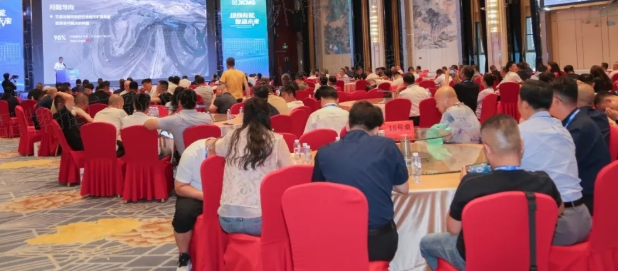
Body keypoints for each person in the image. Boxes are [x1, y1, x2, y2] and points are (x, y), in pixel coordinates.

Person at [419, 114, 563, 271]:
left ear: (486, 149)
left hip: (477, 260)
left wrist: (462, 186)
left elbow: (453, 228)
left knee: (426, 243)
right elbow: (557, 210)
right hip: (527, 257)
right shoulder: (544, 182)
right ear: (522, 146)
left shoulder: (471, 183)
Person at [313, 101, 408, 262]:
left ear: (347, 125)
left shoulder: (324, 152)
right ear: (376, 129)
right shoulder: (387, 145)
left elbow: (318, 192)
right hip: (379, 241)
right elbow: (403, 188)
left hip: (338, 238)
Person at [517, 80, 592, 245]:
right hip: (584, 218)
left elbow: (506, 173)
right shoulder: (563, 130)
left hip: (557, 223)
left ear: (525, 104)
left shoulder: (519, 133)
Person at [215, 98, 293, 236]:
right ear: (268, 115)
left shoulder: (231, 136)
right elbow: (289, 172)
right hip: (259, 219)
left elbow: (215, 149)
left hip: (227, 219)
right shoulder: (275, 140)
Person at [549, 77, 610, 214]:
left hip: (584, 199)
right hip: (584, 187)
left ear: (556, 101)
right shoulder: (576, 120)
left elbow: (559, 165)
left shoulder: (578, 128)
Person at [174, 138, 218, 271]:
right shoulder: (192, 153)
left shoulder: (232, 151)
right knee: (184, 214)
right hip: (196, 192)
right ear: (210, 150)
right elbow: (180, 187)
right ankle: (184, 256)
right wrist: (206, 196)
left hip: (224, 192)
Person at [144, 89, 213, 155]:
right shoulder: (207, 118)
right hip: (206, 157)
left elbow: (147, 124)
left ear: (179, 103)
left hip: (184, 157)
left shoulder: (175, 119)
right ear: (195, 104)